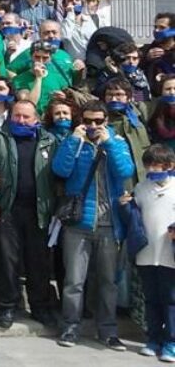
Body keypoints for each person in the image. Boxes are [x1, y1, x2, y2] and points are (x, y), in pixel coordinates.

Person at [52, 100, 135, 350]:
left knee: (108, 282)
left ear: (106, 121)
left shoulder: (117, 143)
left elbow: (126, 171)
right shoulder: (74, 142)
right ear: (81, 121)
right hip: (78, 223)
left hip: (109, 224)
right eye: (88, 121)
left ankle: (107, 331)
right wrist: (74, 142)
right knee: (74, 281)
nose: (92, 126)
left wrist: (108, 142)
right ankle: (70, 327)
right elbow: (60, 170)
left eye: (98, 121)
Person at [0, 100, 60, 329]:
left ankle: (40, 306)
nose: (20, 120)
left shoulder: (49, 141)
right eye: (16, 116)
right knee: (8, 261)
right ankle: (7, 306)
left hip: (40, 211)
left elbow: (59, 176)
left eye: (25, 117)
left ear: (36, 118)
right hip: (9, 210)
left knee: (39, 262)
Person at [119, 144, 175, 361]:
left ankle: (171, 342)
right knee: (151, 299)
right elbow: (132, 220)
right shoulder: (141, 188)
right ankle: (153, 339)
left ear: (169, 165)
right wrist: (125, 206)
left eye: (155, 164)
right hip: (146, 254)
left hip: (170, 255)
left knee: (170, 300)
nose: (151, 169)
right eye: (148, 165)